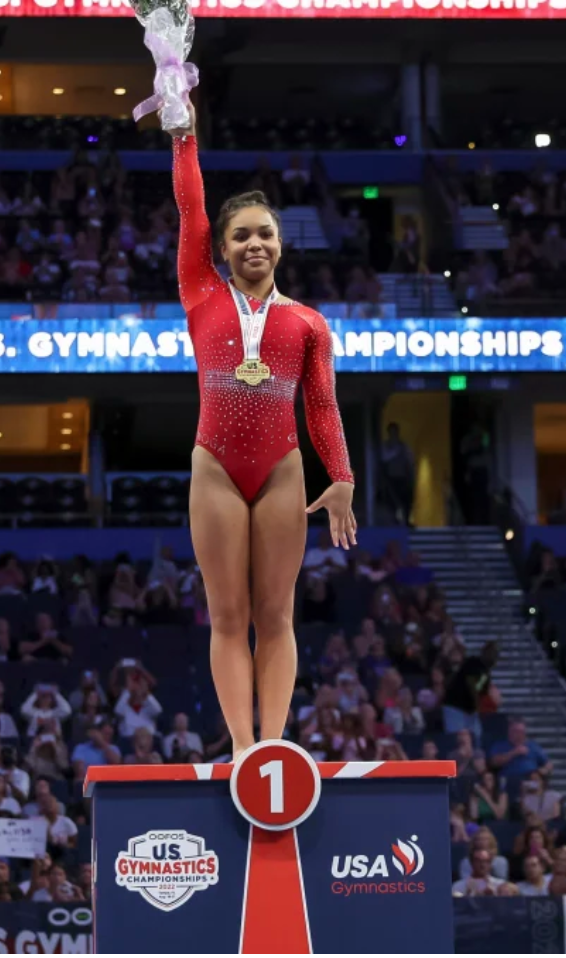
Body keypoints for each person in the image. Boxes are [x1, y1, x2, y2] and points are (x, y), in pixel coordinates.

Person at [164, 104, 357, 760]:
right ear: (221, 248)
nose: (255, 245)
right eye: (242, 235)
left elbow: (323, 407)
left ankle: (272, 751)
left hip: (282, 467)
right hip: (215, 465)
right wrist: (184, 132)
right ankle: (244, 749)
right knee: (228, 616)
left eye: (266, 235)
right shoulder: (200, 294)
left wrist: (343, 480)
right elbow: (191, 210)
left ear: (281, 244)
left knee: (277, 616)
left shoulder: (308, 323)